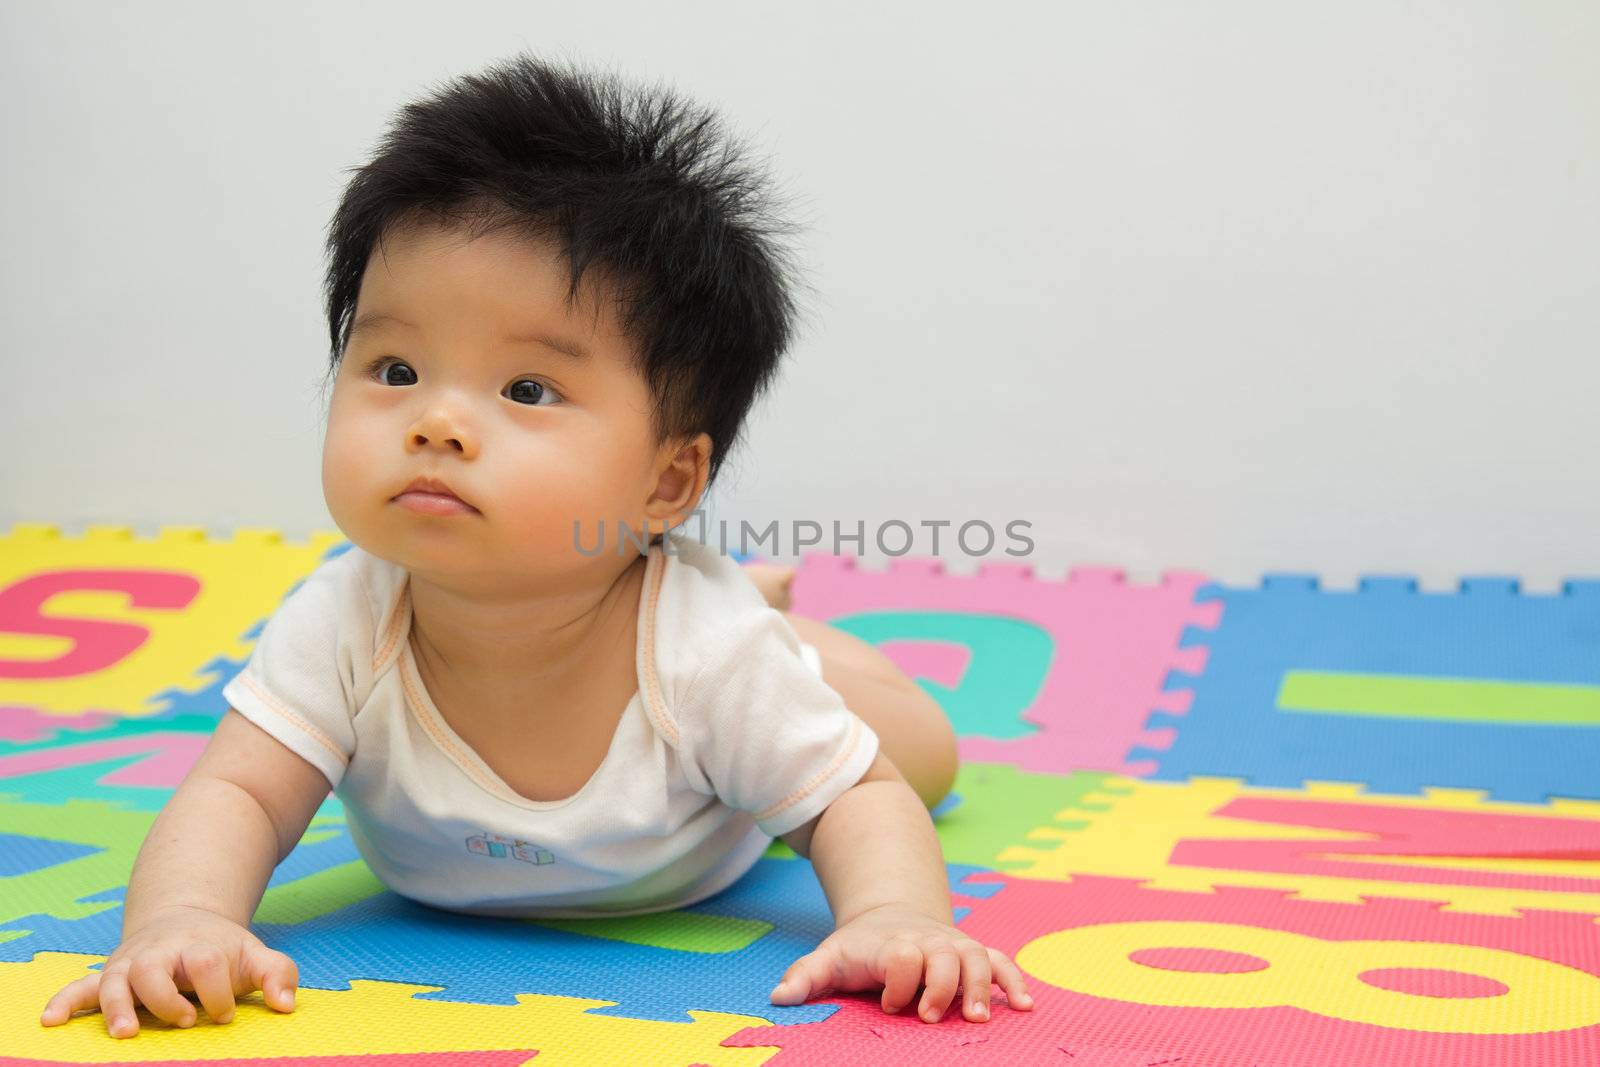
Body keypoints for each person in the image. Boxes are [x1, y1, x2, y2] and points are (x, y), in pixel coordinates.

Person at [39, 51, 1034, 1039]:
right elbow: (238, 789)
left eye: (525, 390)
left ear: (668, 481)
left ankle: (789, 631)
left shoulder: (707, 654)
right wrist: (184, 919)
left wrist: (893, 915)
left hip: (707, 733)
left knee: (917, 759)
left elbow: (855, 798)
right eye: (393, 366)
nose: (436, 422)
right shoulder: (343, 617)